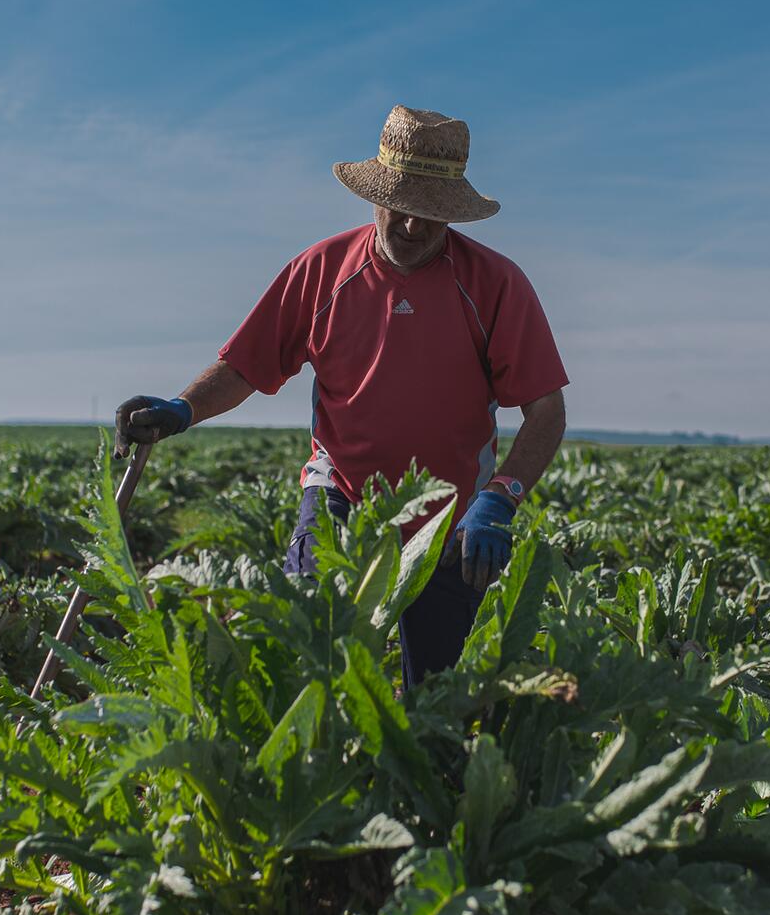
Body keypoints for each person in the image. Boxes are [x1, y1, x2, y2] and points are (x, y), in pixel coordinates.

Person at [115, 104, 569, 689]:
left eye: (430, 214)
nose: (411, 226)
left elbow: (546, 409)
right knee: (304, 660)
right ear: (374, 196)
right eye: (401, 208)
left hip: (453, 515)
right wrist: (182, 408)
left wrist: (501, 497)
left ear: (453, 213)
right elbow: (245, 366)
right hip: (341, 498)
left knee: (437, 703)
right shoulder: (321, 270)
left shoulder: (495, 284)